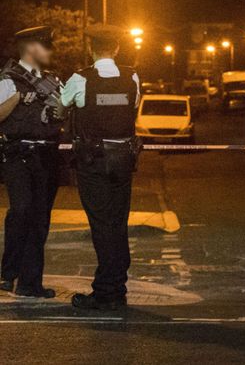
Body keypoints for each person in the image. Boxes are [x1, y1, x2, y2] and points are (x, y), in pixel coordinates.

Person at [59, 24, 141, 310]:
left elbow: (61, 106)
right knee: (118, 224)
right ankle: (117, 288)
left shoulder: (80, 79)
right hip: (123, 159)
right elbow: (132, 108)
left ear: (91, 49)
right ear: (117, 48)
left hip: (93, 161)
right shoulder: (132, 77)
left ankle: (106, 293)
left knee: (102, 226)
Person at [0, 26, 62, 298]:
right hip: (19, 155)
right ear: (31, 49)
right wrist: (18, 99)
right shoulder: (8, 80)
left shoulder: (53, 80)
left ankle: (30, 282)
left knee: (40, 219)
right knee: (22, 209)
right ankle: (7, 272)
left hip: (47, 156)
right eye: (46, 46)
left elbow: (64, 114)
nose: (50, 52)